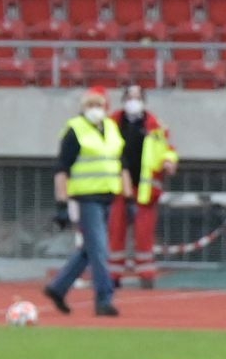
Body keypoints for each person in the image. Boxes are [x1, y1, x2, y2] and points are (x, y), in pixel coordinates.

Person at [43, 87, 128, 318]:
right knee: (100, 249)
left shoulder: (111, 128)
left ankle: (58, 287)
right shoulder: (75, 130)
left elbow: (120, 160)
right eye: (90, 105)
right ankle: (104, 298)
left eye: (99, 105)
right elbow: (62, 168)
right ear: (83, 108)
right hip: (86, 197)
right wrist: (62, 203)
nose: (95, 109)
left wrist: (126, 191)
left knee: (89, 250)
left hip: (108, 195)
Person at [107, 86, 177, 290]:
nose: (133, 101)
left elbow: (168, 150)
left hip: (145, 189)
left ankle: (146, 274)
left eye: (137, 98)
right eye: (130, 97)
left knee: (144, 234)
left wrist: (169, 161)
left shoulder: (156, 126)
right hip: (117, 187)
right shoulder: (111, 124)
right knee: (115, 232)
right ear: (123, 100)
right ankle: (113, 274)